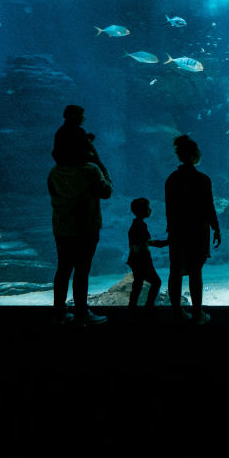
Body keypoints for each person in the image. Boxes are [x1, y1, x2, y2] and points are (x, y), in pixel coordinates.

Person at [48, 136, 113, 326]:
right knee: (82, 270)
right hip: (86, 227)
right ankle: (81, 312)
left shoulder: (55, 172)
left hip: (62, 227)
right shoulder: (90, 169)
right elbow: (107, 191)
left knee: (63, 269)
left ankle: (59, 312)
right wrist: (100, 163)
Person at [164, 135, 220, 325]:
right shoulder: (203, 179)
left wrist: (171, 229)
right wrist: (216, 228)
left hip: (178, 230)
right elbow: (209, 207)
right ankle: (197, 313)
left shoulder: (172, 179)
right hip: (198, 231)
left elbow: (169, 209)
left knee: (175, 271)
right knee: (196, 271)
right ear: (196, 155)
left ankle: (176, 312)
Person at [127, 198, 167, 318]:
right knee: (156, 282)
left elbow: (145, 242)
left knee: (138, 284)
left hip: (135, 259)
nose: (150, 210)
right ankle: (148, 307)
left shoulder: (137, 224)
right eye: (148, 207)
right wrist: (165, 243)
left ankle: (132, 308)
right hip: (141, 260)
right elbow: (144, 243)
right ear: (142, 210)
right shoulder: (140, 225)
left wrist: (163, 243)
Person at [52, 104, 109, 180]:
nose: (84, 118)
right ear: (74, 116)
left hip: (63, 163)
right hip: (77, 163)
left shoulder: (60, 132)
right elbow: (81, 149)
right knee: (102, 171)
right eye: (81, 115)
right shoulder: (79, 131)